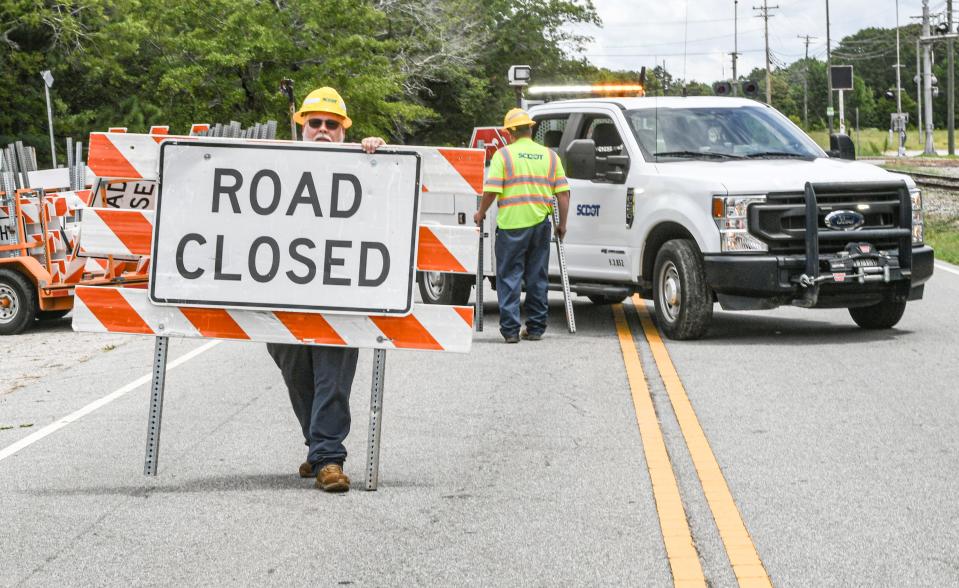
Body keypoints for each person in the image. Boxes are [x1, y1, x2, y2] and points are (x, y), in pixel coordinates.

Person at [267, 86, 385, 492]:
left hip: (341, 293)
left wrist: (381, 155)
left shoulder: (363, 164)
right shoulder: (274, 165)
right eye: (314, 123)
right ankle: (319, 444)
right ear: (301, 128)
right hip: (284, 294)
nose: (322, 130)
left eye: (331, 125)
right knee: (296, 370)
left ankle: (329, 458)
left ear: (344, 132)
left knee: (332, 377)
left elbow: (392, 197)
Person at [473, 108, 570, 344]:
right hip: (540, 225)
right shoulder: (550, 156)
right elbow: (564, 194)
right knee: (537, 277)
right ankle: (535, 328)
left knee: (509, 277)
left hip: (511, 226)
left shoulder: (503, 156)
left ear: (509, 133)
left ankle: (510, 331)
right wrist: (562, 225)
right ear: (531, 129)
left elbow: (492, 190)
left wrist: (481, 212)